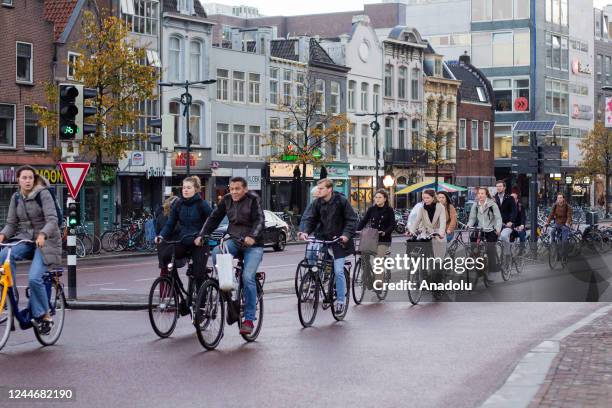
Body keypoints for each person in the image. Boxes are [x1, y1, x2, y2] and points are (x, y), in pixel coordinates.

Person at [196, 177, 265, 335]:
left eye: (237, 189)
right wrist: (202, 235)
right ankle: (229, 291)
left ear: (245, 189)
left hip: (253, 244)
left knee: (248, 277)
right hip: (234, 240)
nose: (233, 192)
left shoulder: (254, 200)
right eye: (231, 188)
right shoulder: (226, 200)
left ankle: (248, 319)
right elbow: (213, 219)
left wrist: (252, 236)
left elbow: (260, 220)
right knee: (216, 252)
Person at [0, 165, 62, 334]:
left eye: (30, 178)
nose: (27, 181)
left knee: (34, 278)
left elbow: (53, 220)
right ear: (18, 180)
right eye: (24, 178)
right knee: (4, 254)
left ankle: (45, 315)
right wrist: (2, 235)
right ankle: (10, 292)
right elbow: (11, 224)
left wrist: (43, 234)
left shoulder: (44, 194)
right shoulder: (16, 197)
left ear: (34, 180)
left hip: (47, 242)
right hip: (26, 239)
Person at [299, 178, 358, 315]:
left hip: (339, 241)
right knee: (314, 263)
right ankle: (318, 286)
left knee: (338, 271)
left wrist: (346, 235)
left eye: (321, 189)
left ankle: (341, 301)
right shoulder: (317, 203)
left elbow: (351, 219)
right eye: (318, 189)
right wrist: (306, 232)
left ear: (329, 189)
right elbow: (310, 219)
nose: (318, 191)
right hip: (323, 239)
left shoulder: (341, 201)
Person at [155, 176, 212, 290]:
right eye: (184, 187)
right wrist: (161, 236)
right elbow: (170, 224)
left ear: (195, 189)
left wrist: (202, 236)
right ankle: (177, 285)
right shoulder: (178, 204)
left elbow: (212, 222)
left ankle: (201, 302)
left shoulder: (202, 204)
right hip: (184, 241)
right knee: (166, 255)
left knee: (198, 274)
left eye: (189, 188)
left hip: (199, 243)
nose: (185, 190)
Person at [356, 189, 396, 290]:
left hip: (384, 239)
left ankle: (379, 284)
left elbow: (392, 225)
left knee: (378, 260)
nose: (377, 199)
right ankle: (368, 278)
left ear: (385, 199)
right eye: (376, 197)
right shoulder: (371, 209)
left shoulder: (389, 210)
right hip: (371, 238)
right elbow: (364, 220)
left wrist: (385, 232)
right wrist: (356, 230)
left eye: (380, 197)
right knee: (364, 257)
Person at [467, 187, 502, 284]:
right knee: (474, 243)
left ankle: (492, 271)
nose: (480, 195)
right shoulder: (475, 205)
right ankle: (479, 268)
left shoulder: (492, 205)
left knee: (490, 249)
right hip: (480, 229)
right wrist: (469, 225)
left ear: (486, 194)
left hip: (491, 229)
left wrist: (498, 229)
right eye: (479, 193)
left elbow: (498, 218)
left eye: (482, 193)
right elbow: (472, 218)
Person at [406, 189, 447, 260]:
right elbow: (417, 221)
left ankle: (439, 267)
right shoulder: (422, 208)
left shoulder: (440, 207)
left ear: (433, 198)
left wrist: (441, 233)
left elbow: (443, 221)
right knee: (421, 252)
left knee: (438, 257)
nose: (425, 200)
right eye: (424, 198)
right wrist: (411, 231)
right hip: (426, 233)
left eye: (428, 198)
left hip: (437, 233)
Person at [494, 180, 517, 259]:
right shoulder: (494, 198)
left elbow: (514, 211)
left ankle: (507, 254)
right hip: (496, 224)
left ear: (504, 188)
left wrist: (511, 221)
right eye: (497, 186)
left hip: (507, 224)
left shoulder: (510, 198)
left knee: (503, 236)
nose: (498, 188)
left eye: (500, 186)